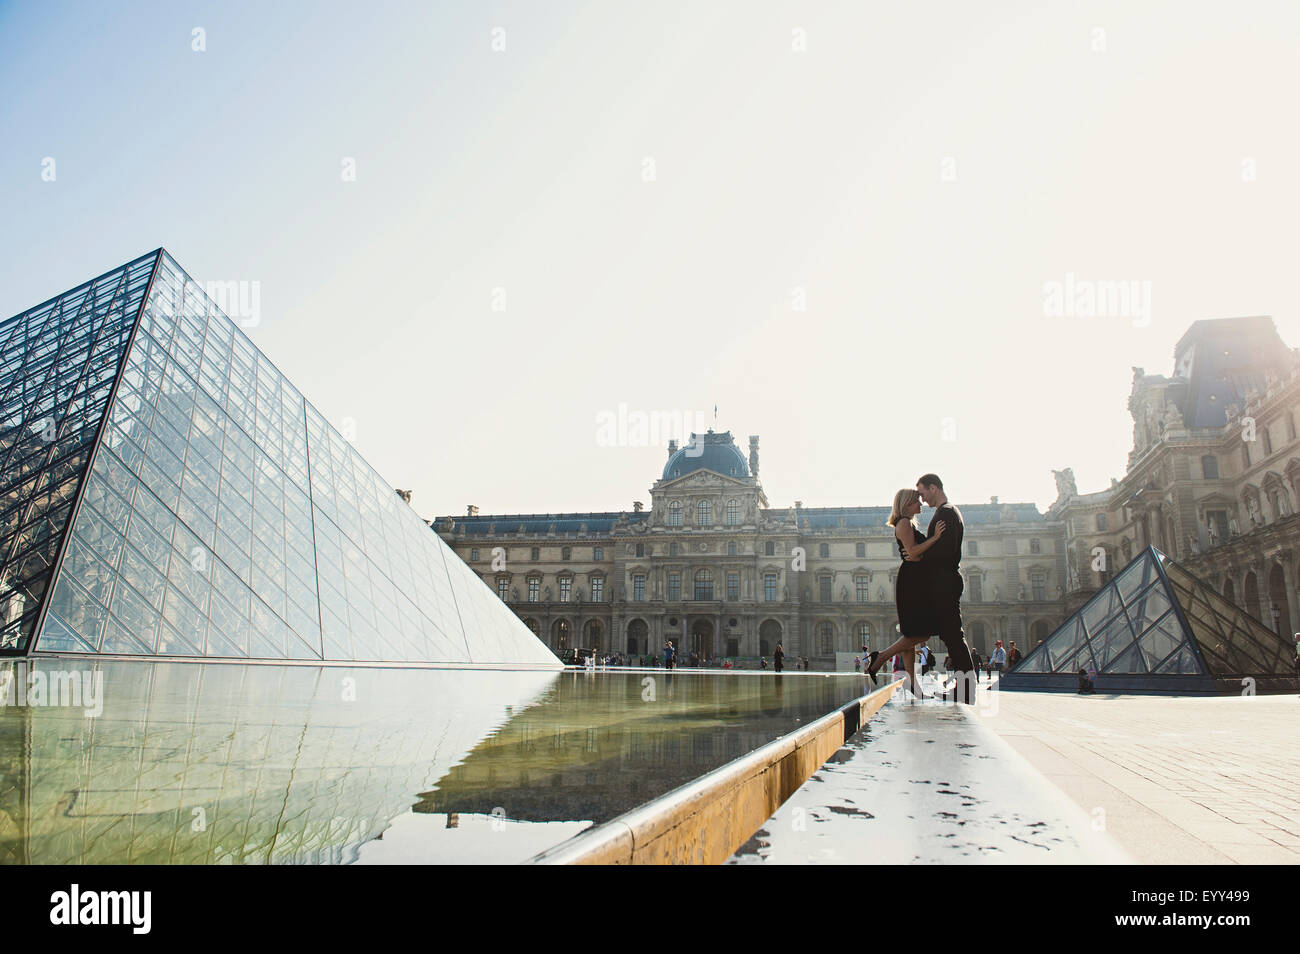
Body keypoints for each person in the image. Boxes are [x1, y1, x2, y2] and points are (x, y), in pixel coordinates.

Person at [866, 487, 946, 698]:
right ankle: (881, 657)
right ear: (907, 503)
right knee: (922, 633)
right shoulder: (903, 523)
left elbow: (914, 553)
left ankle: (912, 684)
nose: (920, 504)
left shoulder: (906, 523)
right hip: (913, 583)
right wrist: (935, 538)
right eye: (916, 501)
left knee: (911, 634)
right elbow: (913, 552)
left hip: (915, 579)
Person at [916, 474, 978, 703]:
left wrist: (922, 553)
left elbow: (946, 550)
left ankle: (966, 688)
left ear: (933, 488)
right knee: (951, 634)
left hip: (945, 579)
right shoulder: (948, 512)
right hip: (945, 579)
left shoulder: (947, 513)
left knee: (953, 634)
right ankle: (965, 688)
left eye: (922, 493)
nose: (922, 500)